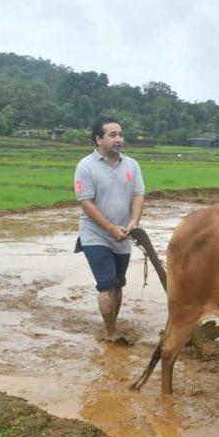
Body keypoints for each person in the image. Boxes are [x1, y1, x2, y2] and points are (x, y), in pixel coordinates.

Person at [74, 117, 145, 344]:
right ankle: (111, 332)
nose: (119, 139)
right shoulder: (86, 166)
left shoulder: (131, 165)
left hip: (123, 234)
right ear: (98, 139)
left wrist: (133, 222)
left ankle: (112, 322)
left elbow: (138, 195)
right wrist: (110, 228)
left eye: (120, 134)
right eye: (112, 135)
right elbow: (85, 202)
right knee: (106, 284)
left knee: (118, 284)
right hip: (95, 235)